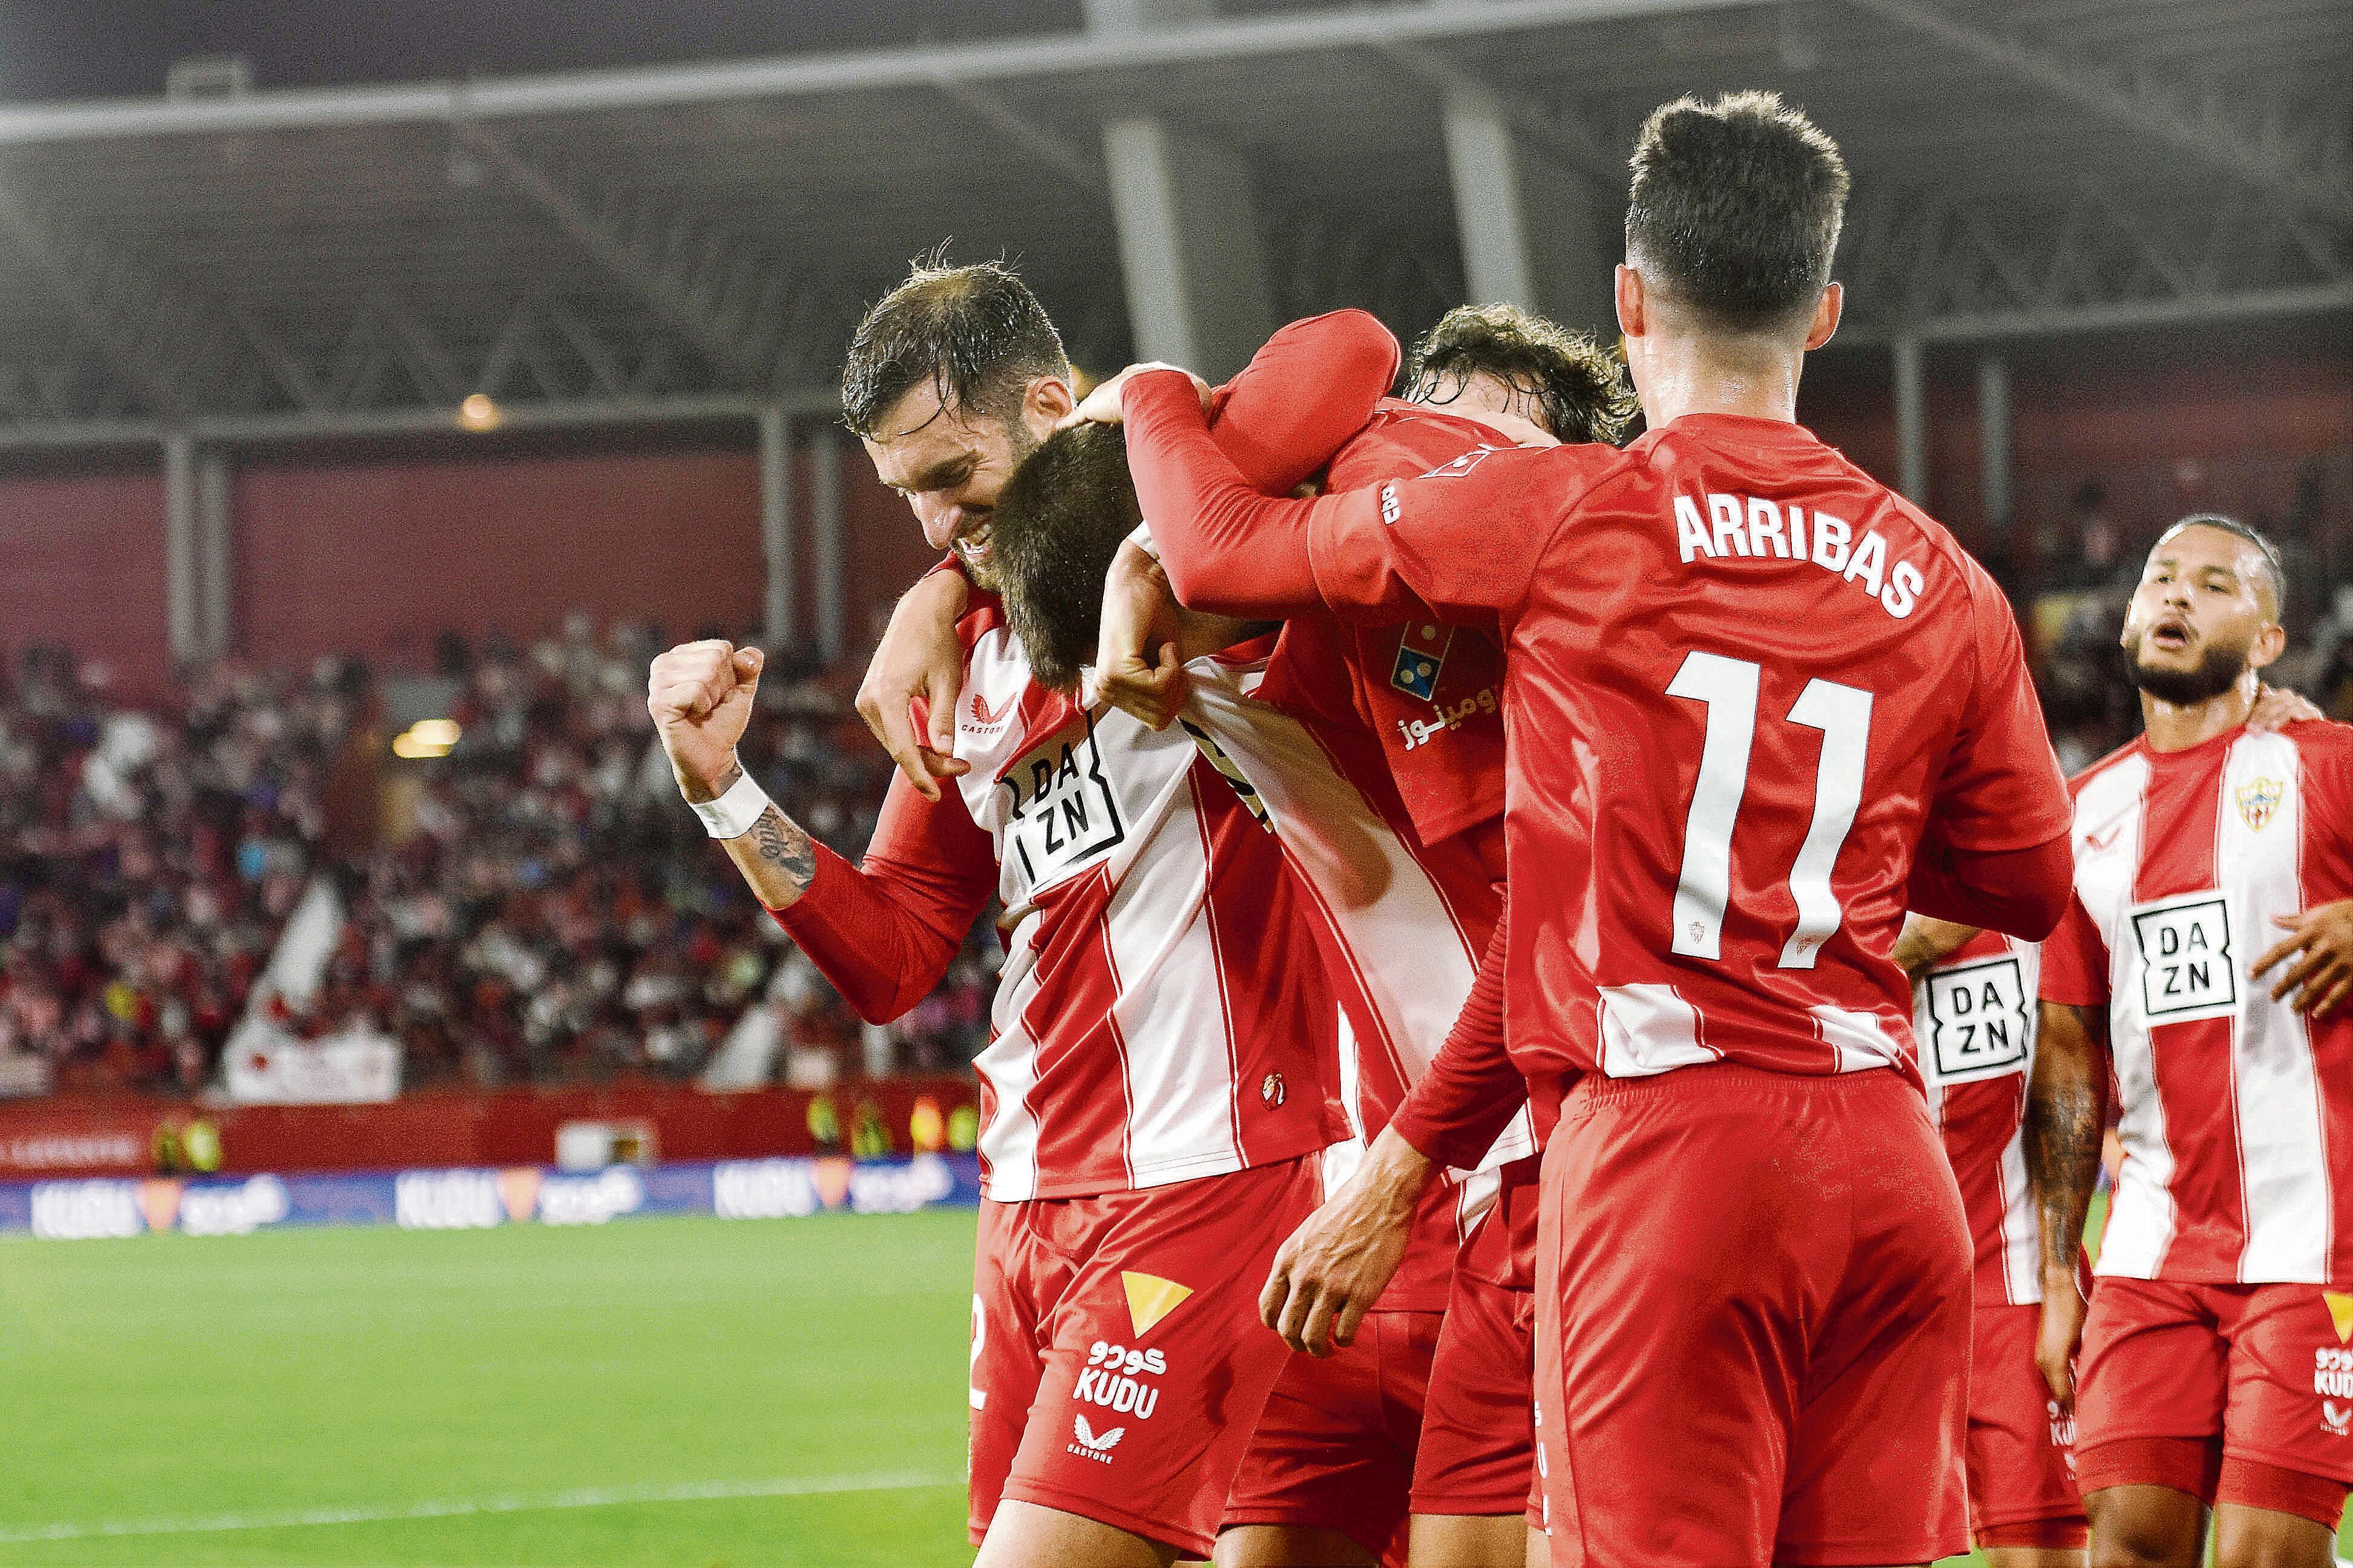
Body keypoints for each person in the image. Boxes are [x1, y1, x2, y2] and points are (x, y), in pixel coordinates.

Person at [1096, 90, 2079, 1567]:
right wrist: (1837, 840)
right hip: (1889, 1162)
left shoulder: (1562, 508)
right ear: (1823, 313)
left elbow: (1218, 549)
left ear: (1627, 303)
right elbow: (2027, 879)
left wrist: (1150, 392)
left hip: (1668, 1147)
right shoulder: (1942, 576)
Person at [647, 258, 1360, 1568]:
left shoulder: (1193, 548)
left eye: (949, 474)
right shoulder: (969, 656)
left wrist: (1101, 441)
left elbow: (1343, 356)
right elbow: (895, 952)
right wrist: (722, 792)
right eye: (904, 494)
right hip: (1027, 1190)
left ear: (1049, 404)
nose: (932, 525)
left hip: (1213, 1165)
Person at [991, 299, 1633, 1568]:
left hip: (1522, 1152)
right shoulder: (1236, 586)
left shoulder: (1397, 595)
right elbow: (1313, 375)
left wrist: (1400, 1175)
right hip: (1399, 1180)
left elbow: (1552, 920)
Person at [2029, 515, 2353, 1568]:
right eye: (2161, 578)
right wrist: (2062, 1274)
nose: (2177, 595)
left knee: (2267, 1557)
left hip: (2314, 1245)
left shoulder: (2329, 765)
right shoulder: (2081, 817)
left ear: (2269, 640)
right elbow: (2068, 1055)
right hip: (2149, 1251)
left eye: (2217, 585)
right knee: (2129, 1546)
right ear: (2128, 621)